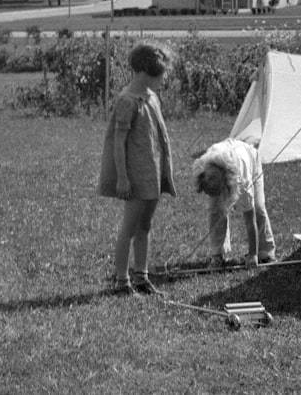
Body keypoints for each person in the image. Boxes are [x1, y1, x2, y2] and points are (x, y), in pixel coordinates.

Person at [98, 44, 175, 296]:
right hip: (134, 177)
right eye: (160, 75)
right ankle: (122, 281)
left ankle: (141, 277)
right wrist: (121, 178)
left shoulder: (151, 98)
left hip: (151, 174)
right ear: (144, 72)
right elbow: (118, 143)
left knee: (145, 227)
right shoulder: (127, 101)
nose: (163, 80)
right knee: (129, 229)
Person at [191, 137, 276, 269]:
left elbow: (249, 220)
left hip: (251, 161)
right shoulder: (206, 165)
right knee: (215, 209)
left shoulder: (243, 181)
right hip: (226, 164)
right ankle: (217, 255)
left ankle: (265, 252)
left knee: (258, 208)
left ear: (226, 186)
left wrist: (252, 254)